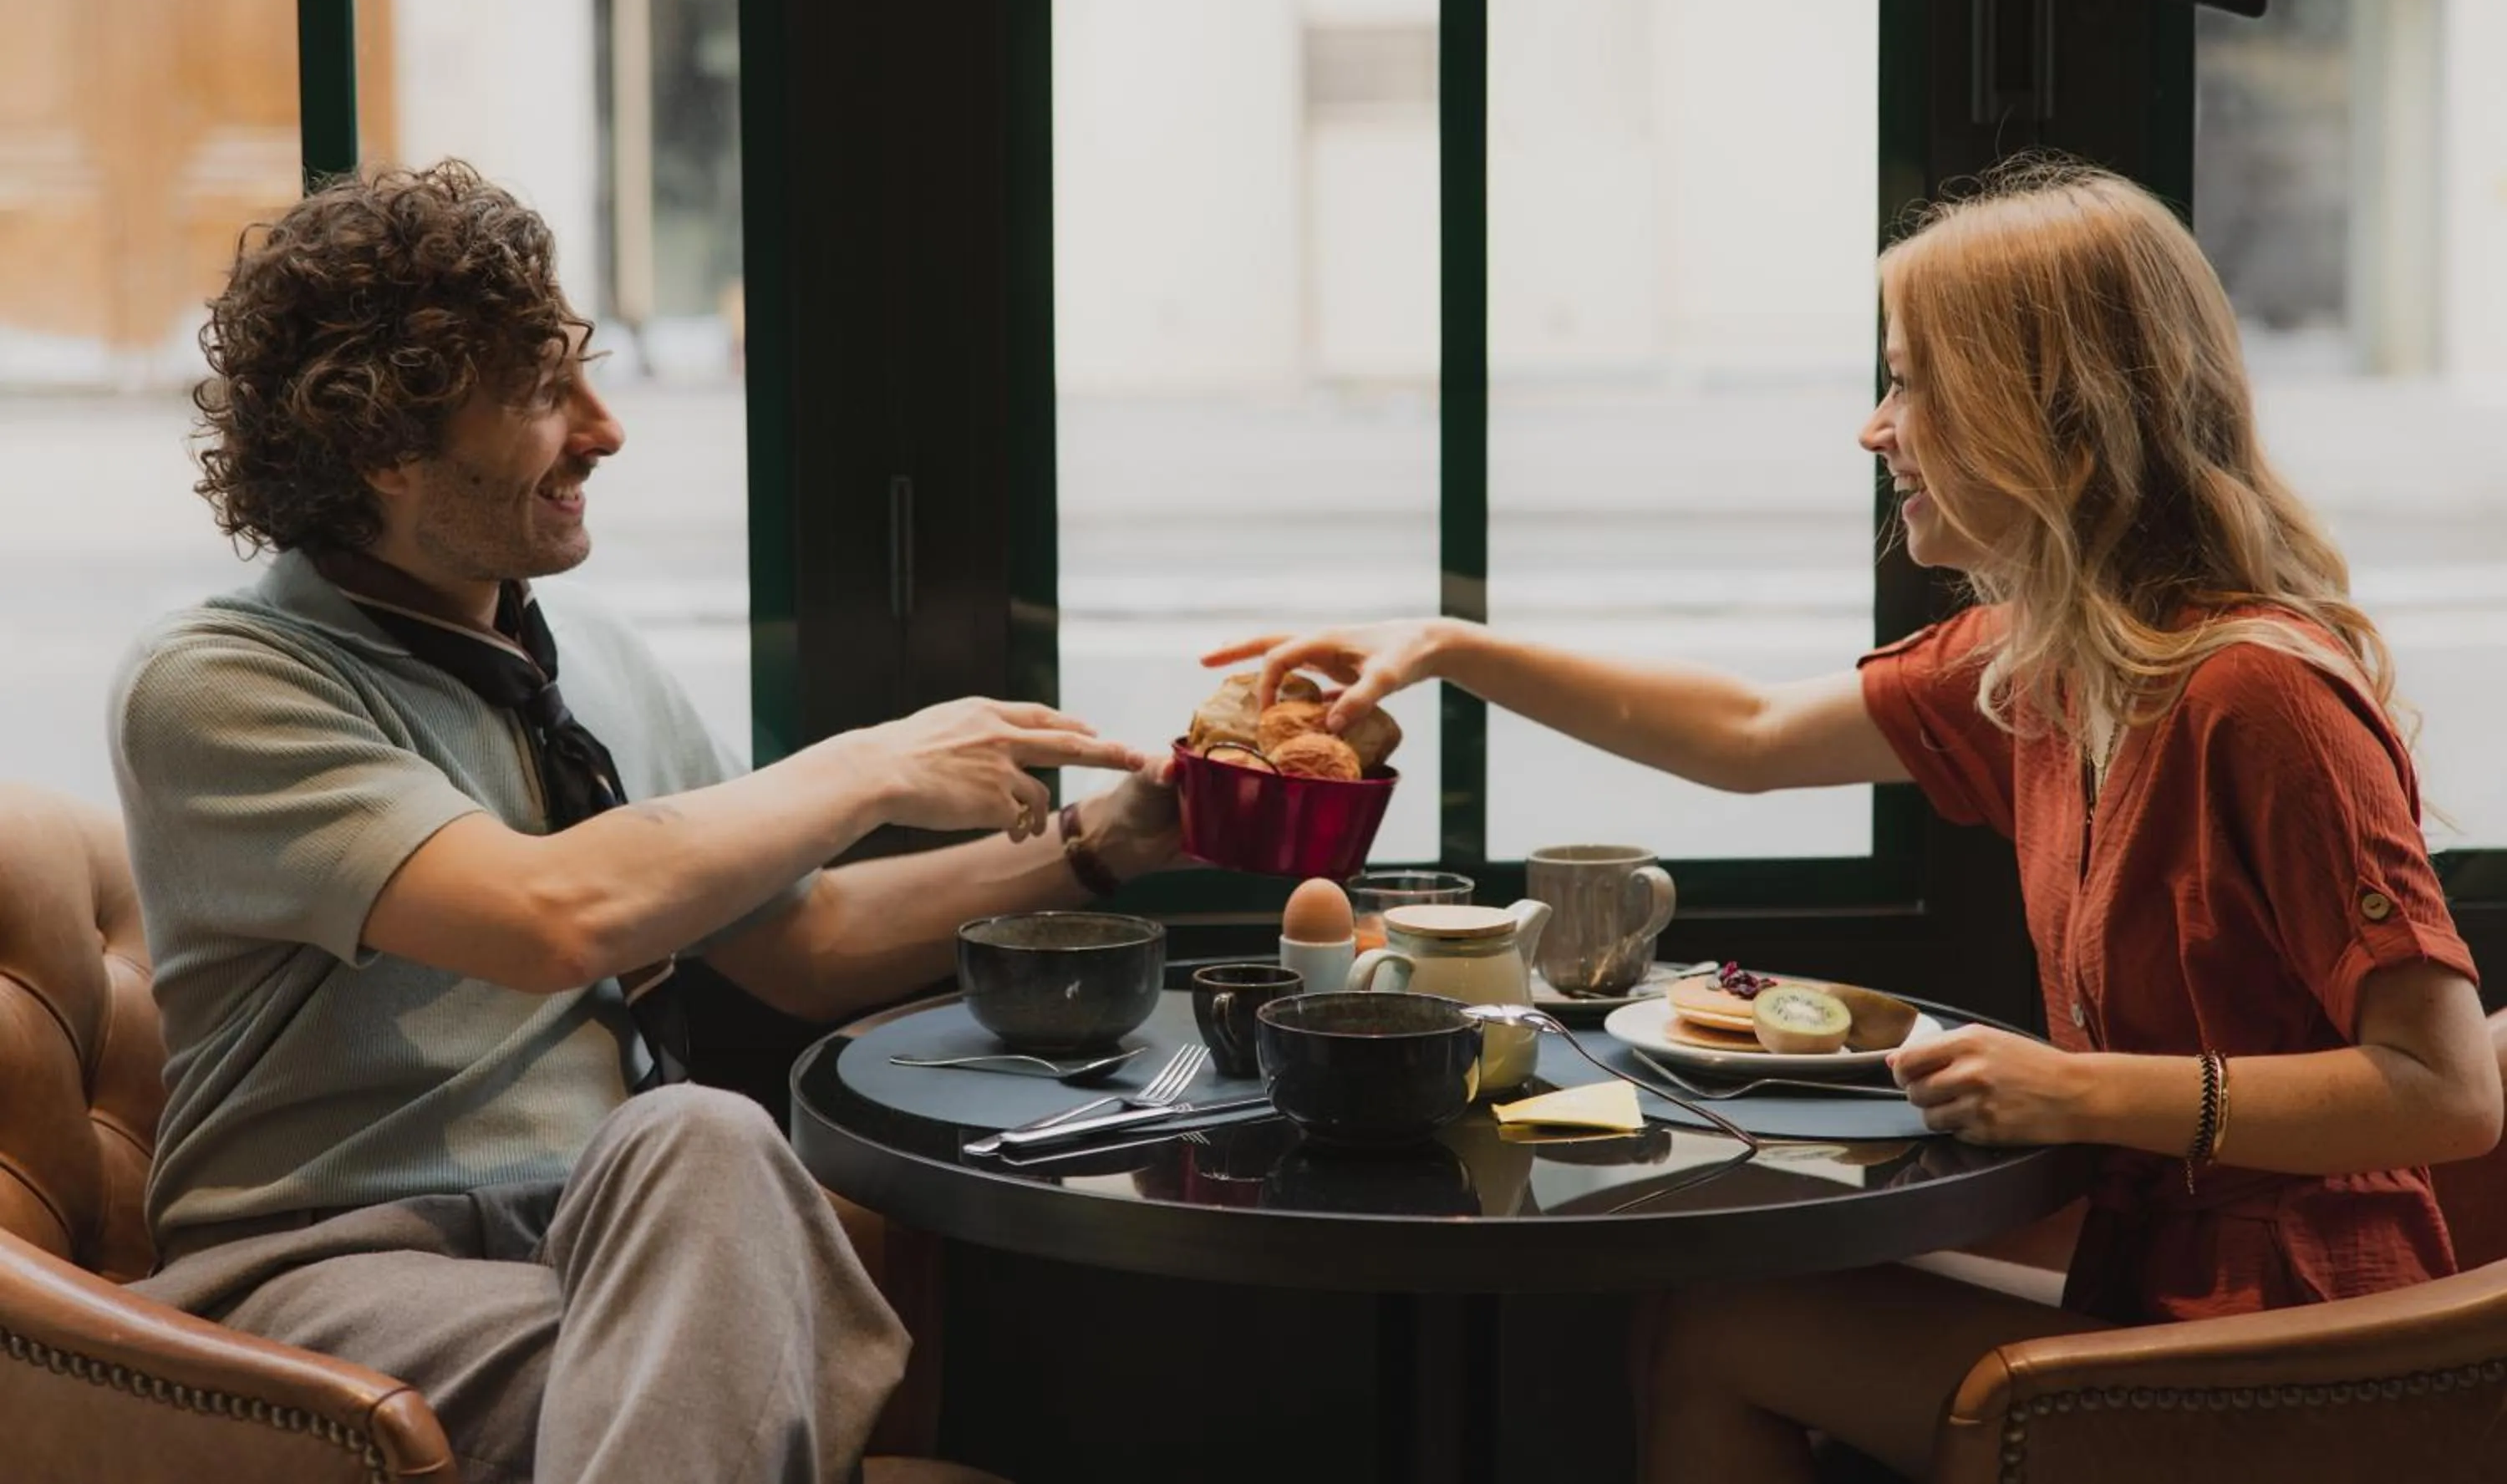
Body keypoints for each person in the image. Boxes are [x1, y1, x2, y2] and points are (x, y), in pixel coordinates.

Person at [1207, 159, 2502, 1482]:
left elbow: (2444, 1092)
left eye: (1909, 384)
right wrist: (1449, 646)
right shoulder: (2045, 665)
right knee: (1695, 1302)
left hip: (2307, 1346)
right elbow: (1749, 736)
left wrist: (2074, 1090)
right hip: (2151, 1272)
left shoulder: (2257, 692)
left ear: (2050, 413)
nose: (1876, 429)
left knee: (1726, 1331)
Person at [112, 161, 1177, 1484]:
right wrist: (869, 765)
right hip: (336, 1270)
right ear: (383, 447)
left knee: (698, 1141)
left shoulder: (590, 658)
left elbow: (808, 939)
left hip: (621, 1244)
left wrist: (1119, 836)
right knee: (731, 1267)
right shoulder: (223, 684)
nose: (607, 430)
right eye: (548, 394)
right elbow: (554, 915)